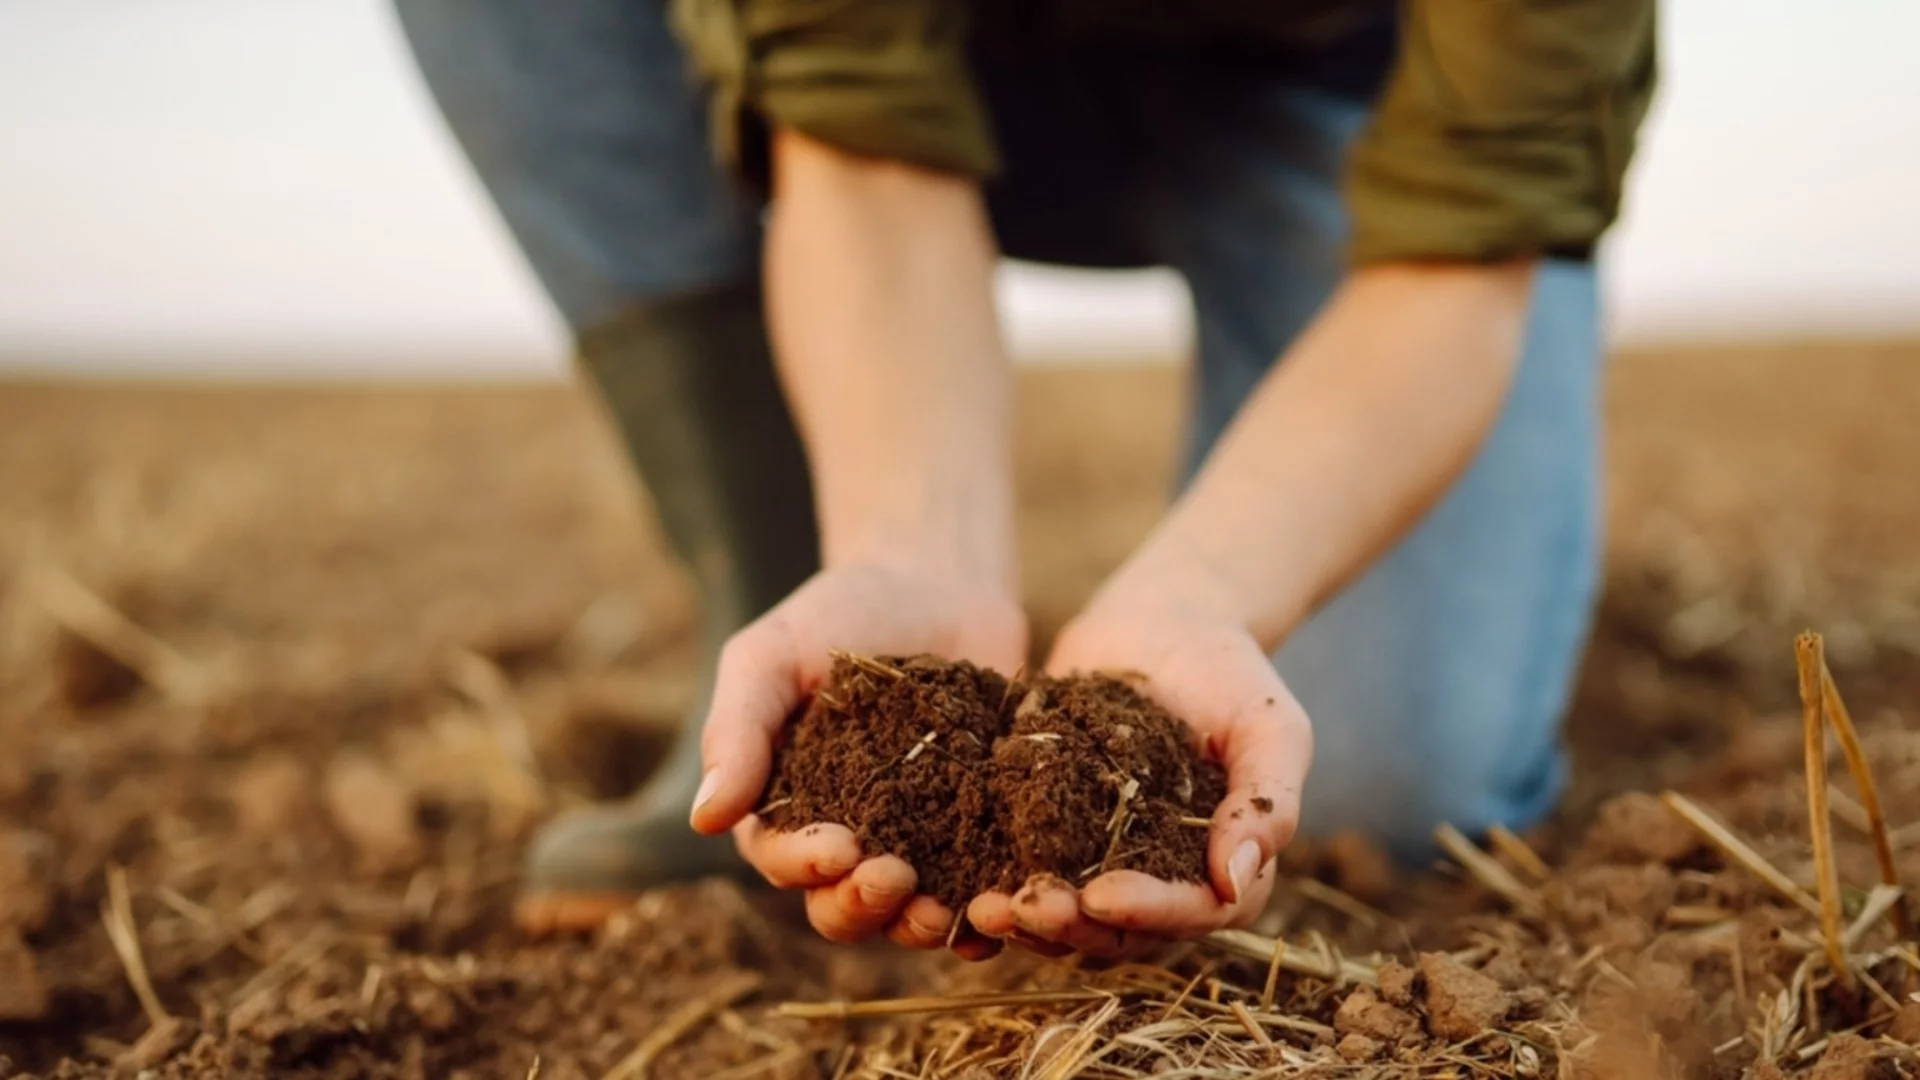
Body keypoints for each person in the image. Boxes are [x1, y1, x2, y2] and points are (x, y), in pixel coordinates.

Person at [394, 0, 1655, 958]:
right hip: (961, 65)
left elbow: (1458, 255)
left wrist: (1204, 596)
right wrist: (905, 556)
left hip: (1350, 98)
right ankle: (784, 595)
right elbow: (859, 124)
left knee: (1381, 797)